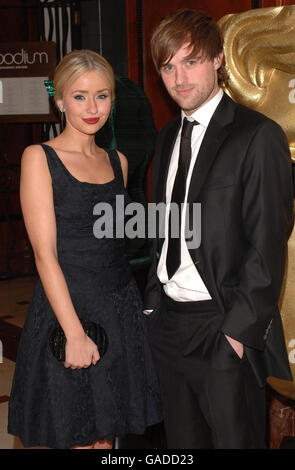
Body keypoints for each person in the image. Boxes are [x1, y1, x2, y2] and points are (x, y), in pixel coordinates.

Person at [143, 9, 294, 449]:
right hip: (169, 325)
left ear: (217, 61)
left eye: (190, 61)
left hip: (222, 328)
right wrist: (153, 304)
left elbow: (268, 242)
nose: (179, 78)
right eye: (168, 66)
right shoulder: (168, 135)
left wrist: (236, 334)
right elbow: (164, 224)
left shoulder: (257, 135)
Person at [8, 49, 162, 449]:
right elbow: (45, 256)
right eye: (79, 96)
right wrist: (74, 333)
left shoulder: (119, 162)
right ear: (58, 99)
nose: (92, 108)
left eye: (102, 95)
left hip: (118, 309)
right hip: (67, 310)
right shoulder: (39, 158)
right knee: (76, 432)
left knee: (107, 437)